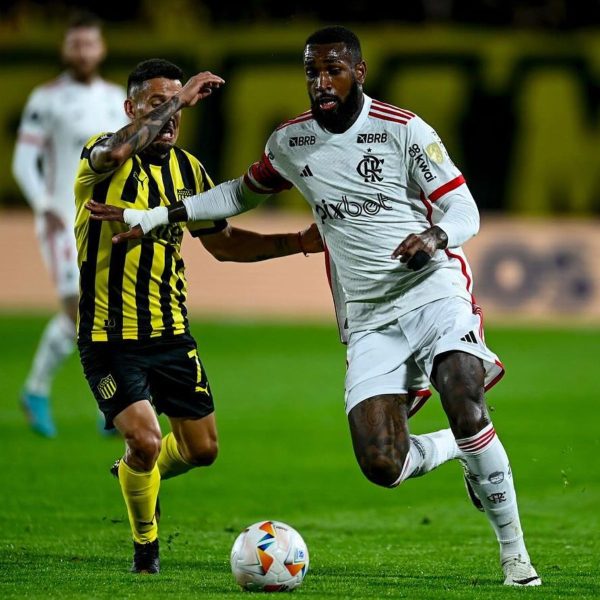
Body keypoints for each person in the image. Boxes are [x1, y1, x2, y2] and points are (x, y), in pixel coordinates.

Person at [86, 28, 541, 587]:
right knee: (383, 464)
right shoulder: (290, 143)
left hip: (432, 292)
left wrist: (436, 238)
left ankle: (516, 560)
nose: (322, 82)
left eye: (333, 70)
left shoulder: (404, 131)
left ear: (360, 72)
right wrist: (154, 217)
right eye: (312, 73)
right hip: (368, 317)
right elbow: (238, 195)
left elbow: (464, 210)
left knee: (462, 390)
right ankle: (463, 449)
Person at [74, 58, 322, 574]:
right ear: (130, 108)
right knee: (144, 438)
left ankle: (136, 473)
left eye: (175, 111)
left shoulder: (191, 172)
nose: (169, 119)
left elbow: (225, 246)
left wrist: (298, 242)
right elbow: (120, 146)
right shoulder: (101, 158)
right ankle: (147, 548)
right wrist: (180, 96)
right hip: (109, 336)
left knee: (202, 449)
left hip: (172, 335)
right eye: (156, 105)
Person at [12, 12, 128, 437]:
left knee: (110, 309)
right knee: (78, 308)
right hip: (64, 219)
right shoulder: (46, 98)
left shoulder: (117, 97)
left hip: (108, 218)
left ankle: (111, 404)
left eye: (90, 44)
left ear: (102, 49)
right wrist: (44, 204)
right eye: (76, 44)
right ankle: (38, 390)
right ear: (66, 49)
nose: (83, 52)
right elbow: (23, 161)